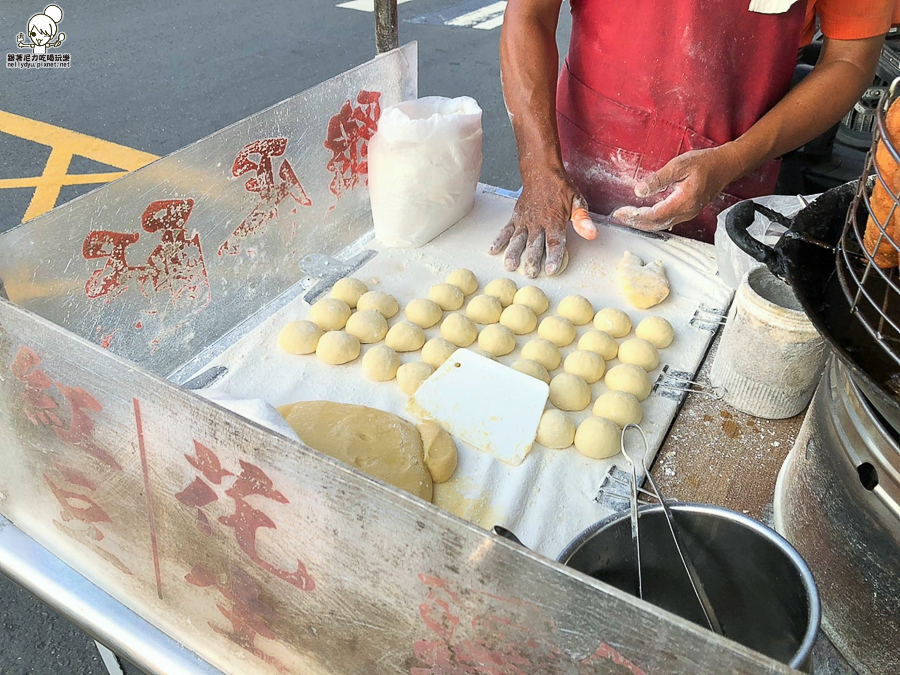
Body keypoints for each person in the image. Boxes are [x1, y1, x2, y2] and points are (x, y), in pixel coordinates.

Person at [491, 0, 896, 277]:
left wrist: (735, 159)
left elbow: (849, 59)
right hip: (575, 156)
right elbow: (530, 14)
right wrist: (539, 166)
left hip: (732, 172)